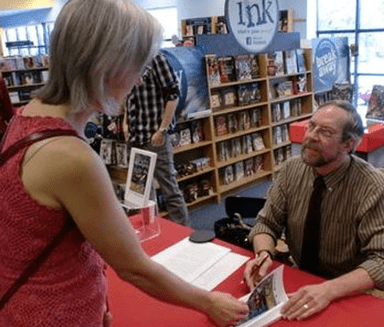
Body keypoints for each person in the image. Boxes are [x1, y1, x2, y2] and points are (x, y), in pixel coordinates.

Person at [0, 1, 248, 326]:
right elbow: (134, 268)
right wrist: (209, 302)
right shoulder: (71, 157)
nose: (140, 80)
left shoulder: (28, 116)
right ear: (108, 64)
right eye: (138, 66)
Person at [243, 100, 384, 321]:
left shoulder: (374, 188)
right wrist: (263, 254)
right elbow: (266, 223)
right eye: (311, 126)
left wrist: (328, 290)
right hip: (299, 278)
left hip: (346, 290)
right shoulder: (291, 170)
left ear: (349, 144)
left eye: (325, 132)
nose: (311, 136)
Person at [126, 51, 189, 225]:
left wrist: (162, 129)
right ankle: (152, 232)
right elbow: (129, 96)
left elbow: (173, 94)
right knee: (142, 194)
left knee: (170, 189)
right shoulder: (128, 58)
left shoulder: (155, 57)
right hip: (135, 138)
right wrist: (125, 124)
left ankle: (184, 234)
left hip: (155, 138)